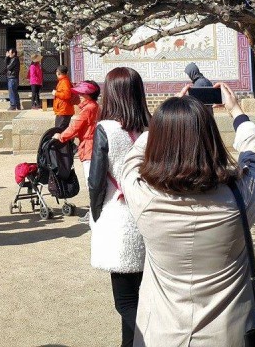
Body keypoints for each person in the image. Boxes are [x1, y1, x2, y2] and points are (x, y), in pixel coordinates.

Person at [121, 83, 255, 347]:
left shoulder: (142, 196)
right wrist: (236, 110)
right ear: (211, 139)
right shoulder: (240, 198)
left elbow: (132, 159)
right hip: (229, 335)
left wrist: (163, 120)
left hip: (160, 334)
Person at [87, 67, 151, 347]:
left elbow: (96, 181)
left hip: (120, 218)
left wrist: (96, 214)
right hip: (150, 216)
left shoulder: (107, 130)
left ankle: (151, 339)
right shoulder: (153, 128)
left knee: (125, 302)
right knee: (144, 294)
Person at [54, 79, 100, 191]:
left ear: (87, 95)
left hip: (89, 146)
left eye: (81, 93)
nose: (79, 96)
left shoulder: (88, 109)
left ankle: (94, 207)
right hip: (95, 143)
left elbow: (75, 127)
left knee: (90, 179)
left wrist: (60, 137)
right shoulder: (95, 106)